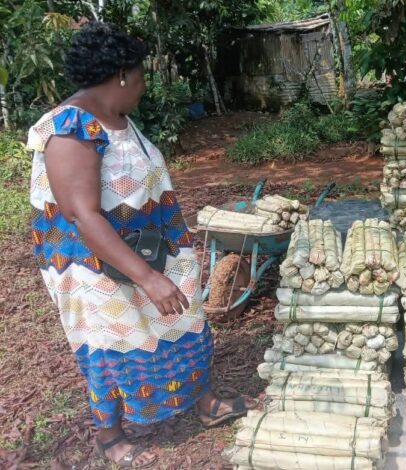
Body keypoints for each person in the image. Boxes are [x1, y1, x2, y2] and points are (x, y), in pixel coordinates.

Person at [27, 22, 253, 468]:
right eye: (143, 76)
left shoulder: (119, 121)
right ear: (124, 75)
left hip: (152, 251)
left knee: (183, 325)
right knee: (110, 342)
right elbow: (81, 214)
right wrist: (148, 278)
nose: (145, 86)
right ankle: (109, 436)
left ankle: (202, 403)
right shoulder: (71, 128)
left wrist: (159, 269)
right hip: (99, 268)